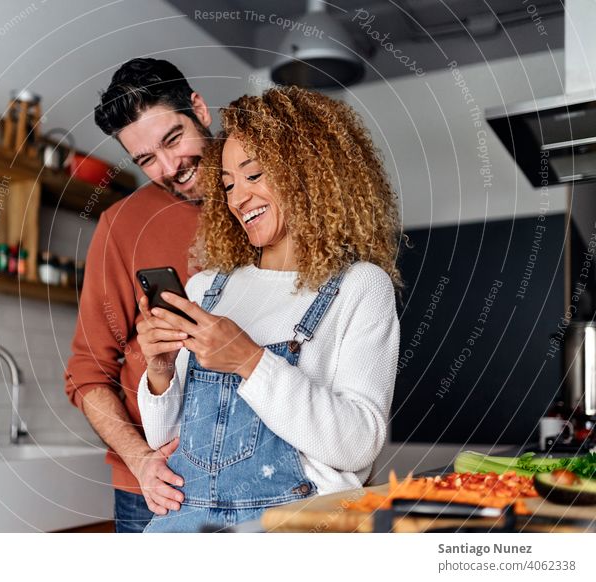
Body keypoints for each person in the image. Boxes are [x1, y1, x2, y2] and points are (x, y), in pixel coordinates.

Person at [136, 86, 402, 532]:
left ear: (309, 172)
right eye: (228, 184)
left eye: (254, 175)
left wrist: (249, 360)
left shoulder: (359, 287)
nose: (238, 198)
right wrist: (160, 373)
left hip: (288, 529)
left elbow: (358, 445)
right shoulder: (206, 289)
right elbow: (171, 447)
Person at [64, 58, 213, 533]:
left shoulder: (265, 200)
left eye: (173, 139)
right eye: (147, 159)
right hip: (154, 492)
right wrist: (141, 460)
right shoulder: (121, 225)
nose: (171, 167)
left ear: (199, 109)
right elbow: (87, 372)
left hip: (264, 482)